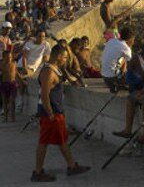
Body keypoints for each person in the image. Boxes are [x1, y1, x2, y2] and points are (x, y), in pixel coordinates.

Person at [31, 44, 90, 182]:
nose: (65, 60)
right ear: (58, 56)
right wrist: (50, 113)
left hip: (56, 112)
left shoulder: (53, 69)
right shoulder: (49, 72)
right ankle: (38, 172)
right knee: (44, 142)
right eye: (64, 57)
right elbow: (45, 95)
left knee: (62, 140)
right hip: (51, 113)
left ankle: (72, 166)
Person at [112, 39, 144, 143]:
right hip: (136, 87)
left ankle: (133, 132)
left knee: (142, 102)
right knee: (132, 100)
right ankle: (128, 130)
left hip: (142, 86)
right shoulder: (137, 58)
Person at [100, 27, 134, 93]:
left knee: (122, 57)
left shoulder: (111, 40)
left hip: (104, 76)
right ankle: (121, 82)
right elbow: (130, 60)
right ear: (130, 39)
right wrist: (130, 46)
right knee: (126, 60)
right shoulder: (126, 48)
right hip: (113, 77)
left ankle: (117, 84)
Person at [0, 50, 21, 122]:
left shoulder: (14, 63)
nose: (9, 58)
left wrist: (22, 81)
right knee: (4, 102)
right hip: (4, 84)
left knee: (12, 101)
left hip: (12, 84)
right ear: (3, 57)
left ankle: (13, 117)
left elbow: (17, 73)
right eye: (7, 57)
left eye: (10, 57)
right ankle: (5, 118)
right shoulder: (1, 64)